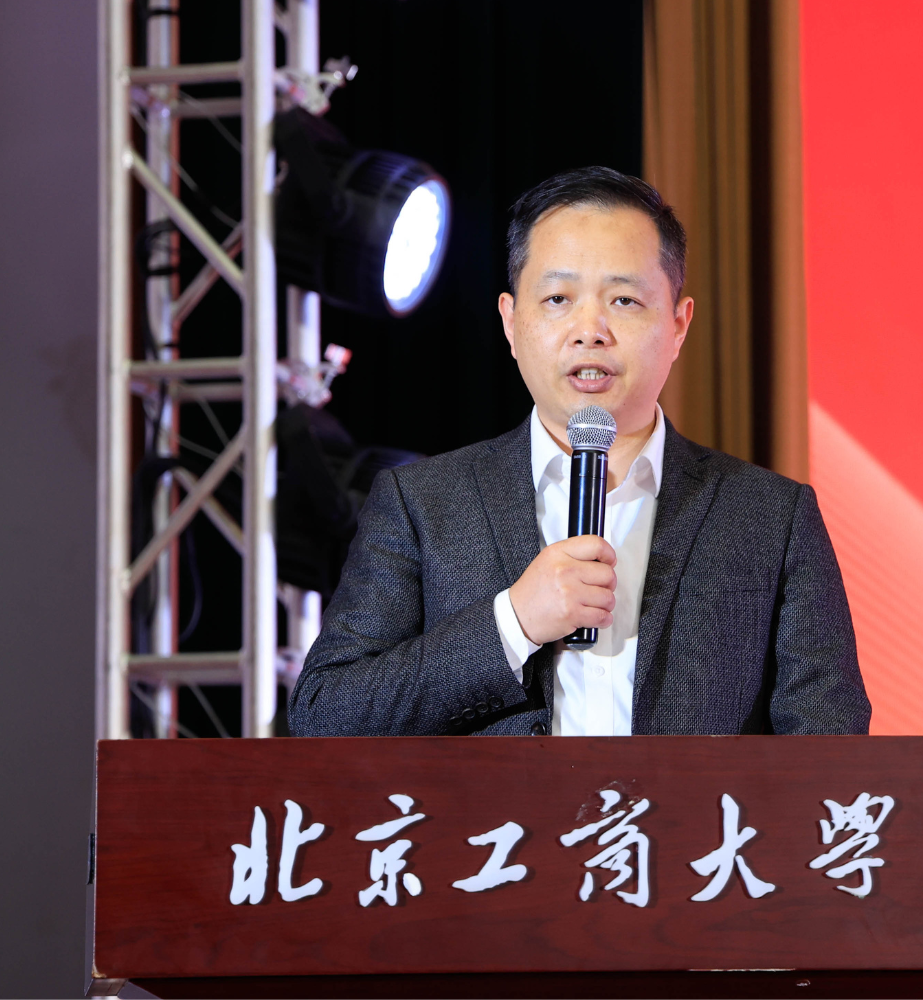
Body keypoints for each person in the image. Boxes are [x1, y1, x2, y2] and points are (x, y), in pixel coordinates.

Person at [288, 166, 869, 737]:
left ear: (678, 324)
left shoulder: (772, 517)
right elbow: (324, 712)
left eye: (624, 300)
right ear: (510, 322)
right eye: (558, 298)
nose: (590, 330)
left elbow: (831, 755)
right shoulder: (422, 504)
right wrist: (514, 622)